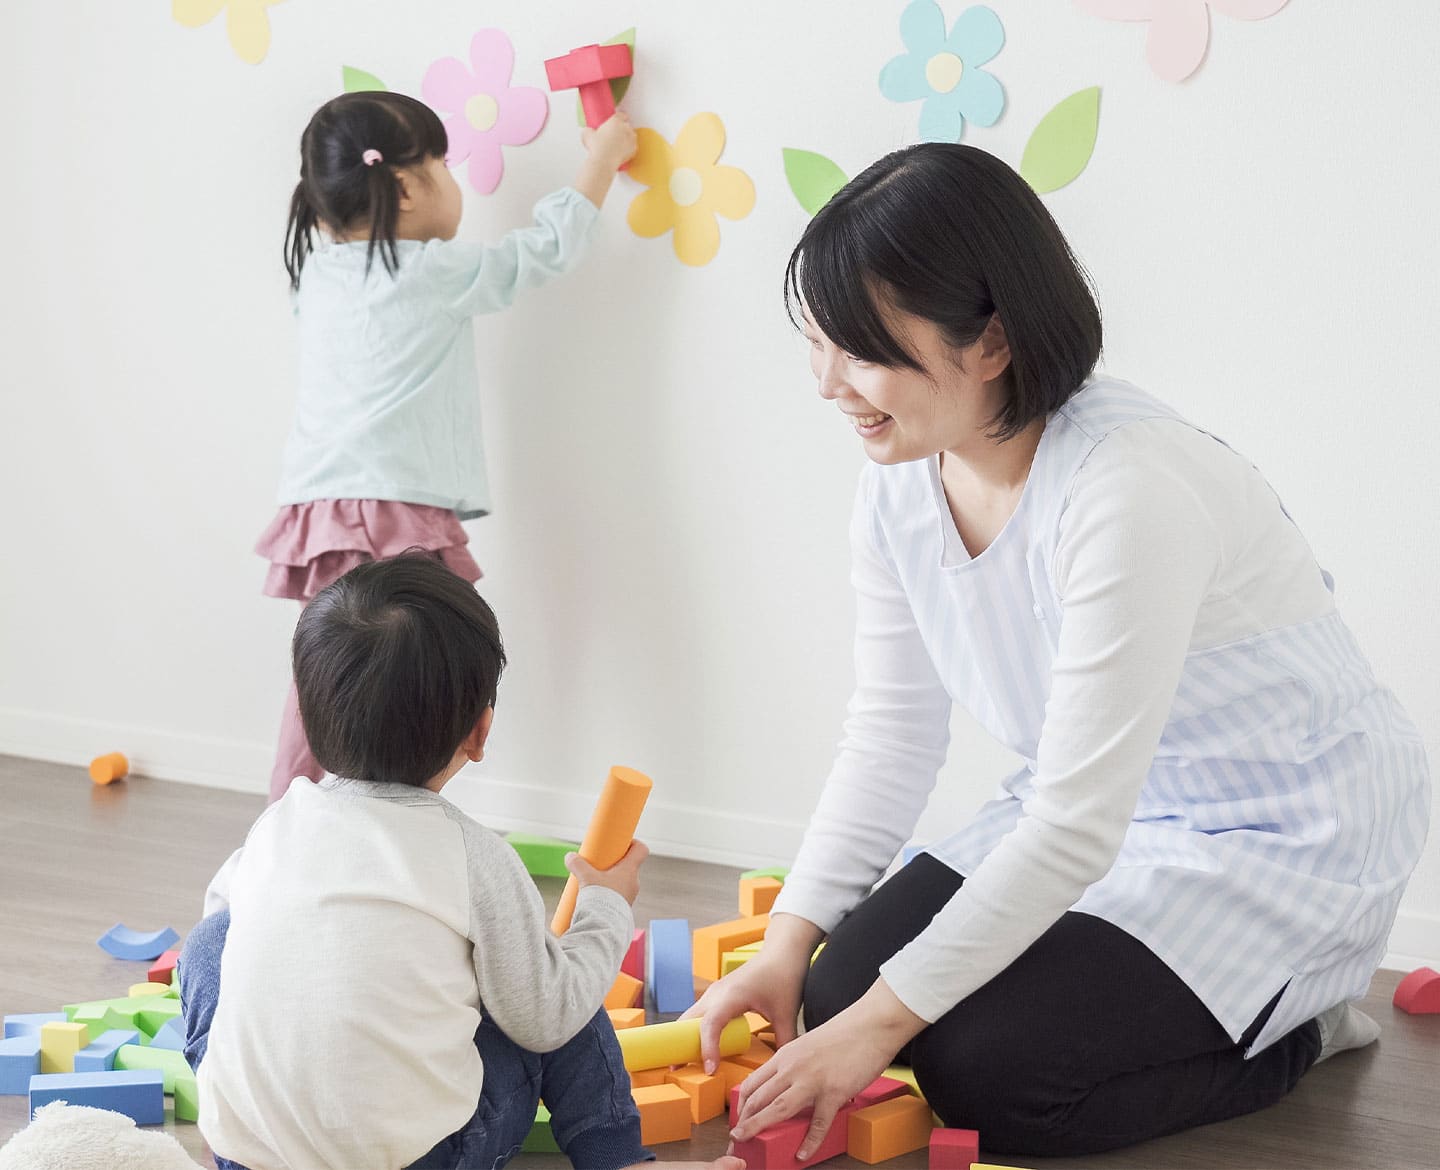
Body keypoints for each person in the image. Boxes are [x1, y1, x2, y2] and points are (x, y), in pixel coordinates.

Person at [689, 143, 1431, 1161]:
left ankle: (1301, 1024)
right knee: (832, 982)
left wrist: (874, 1032)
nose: (828, 385)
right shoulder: (902, 476)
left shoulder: (1129, 492)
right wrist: (787, 945)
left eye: (861, 350)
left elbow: (1077, 823)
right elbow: (894, 734)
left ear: (990, 341)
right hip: (1095, 805)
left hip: (1271, 831)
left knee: (990, 1077)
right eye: (815, 342)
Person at [178, 553, 744, 1170]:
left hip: (256, 1158)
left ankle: (226, 1118)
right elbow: (546, 1017)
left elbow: (227, 945)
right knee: (560, 991)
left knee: (212, 940)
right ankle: (619, 1160)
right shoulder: (473, 856)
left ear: (306, 718)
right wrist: (606, 902)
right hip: (425, 1160)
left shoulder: (275, 827)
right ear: (479, 732)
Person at [257, 91, 636, 802]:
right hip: (390, 503)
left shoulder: (317, 274)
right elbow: (542, 253)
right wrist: (601, 161)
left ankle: (299, 816)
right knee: (414, 667)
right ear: (405, 187)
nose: (451, 181)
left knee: (336, 673)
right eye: (441, 163)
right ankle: (375, 816)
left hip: (322, 507)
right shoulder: (431, 272)